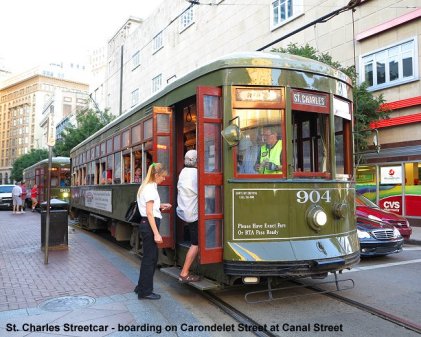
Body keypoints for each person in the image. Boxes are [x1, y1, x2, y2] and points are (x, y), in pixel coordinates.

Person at [135, 162, 171, 300]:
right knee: (150, 259)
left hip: (146, 223)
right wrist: (156, 233)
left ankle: (140, 287)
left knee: (148, 258)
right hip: (150, 225)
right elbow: (149, 213)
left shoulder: (146, 186)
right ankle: (145, 292)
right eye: (162, 176)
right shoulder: (150, 189)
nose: (164, 179)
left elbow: (149, 208)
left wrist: (160, 206)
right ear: (156, 175)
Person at [177, 150, 200, 283]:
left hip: (183, 210)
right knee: (195, 243)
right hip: (193, 213)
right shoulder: (196, 174)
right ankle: (184, 273)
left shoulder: (183, 172)